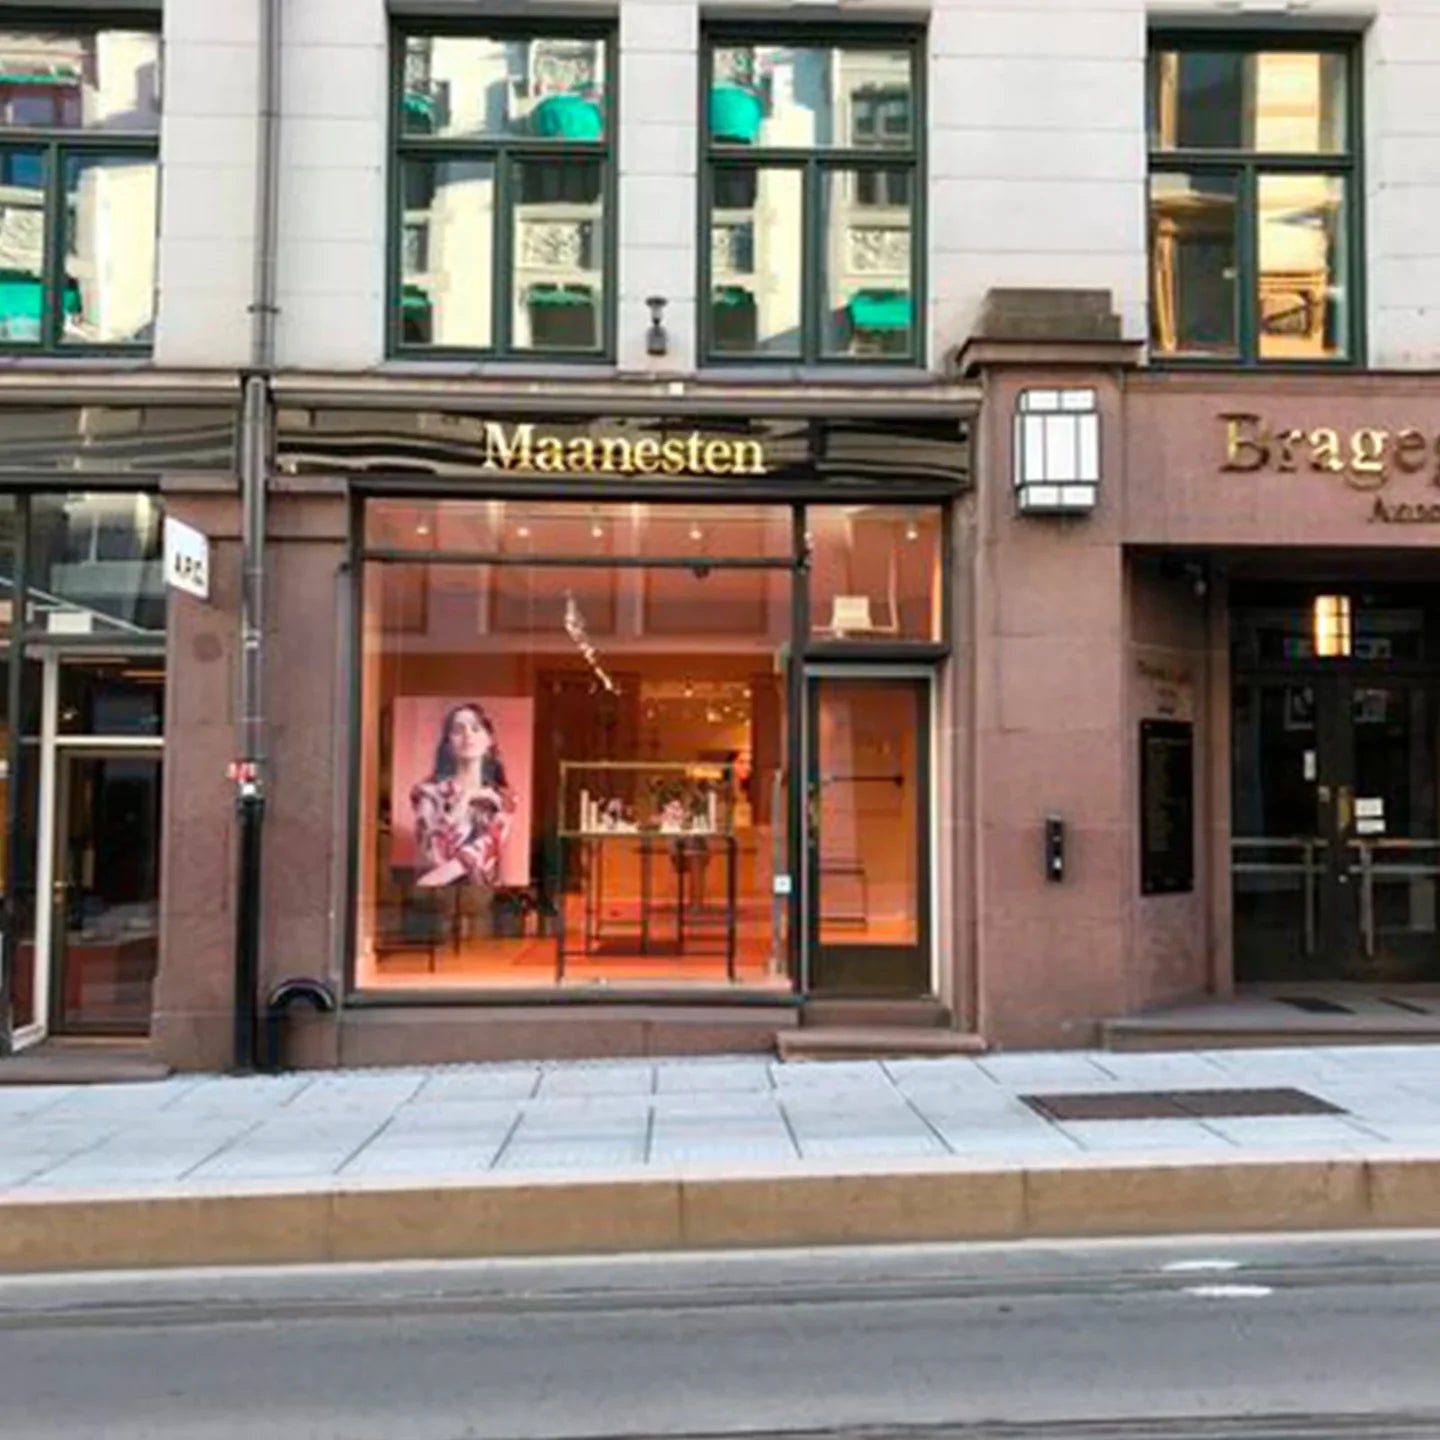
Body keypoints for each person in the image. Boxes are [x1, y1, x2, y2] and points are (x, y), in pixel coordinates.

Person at [411, 704, 516, 893]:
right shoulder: (427, 793)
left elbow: (483, 852)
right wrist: (464, 799)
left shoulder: (503, 799)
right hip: (435, 898)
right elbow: (434, 853)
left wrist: (431, 880)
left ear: (489, 740)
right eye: (458, 730)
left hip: (481, 897)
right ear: (448, 743)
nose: (468, 735)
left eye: (475, 728)